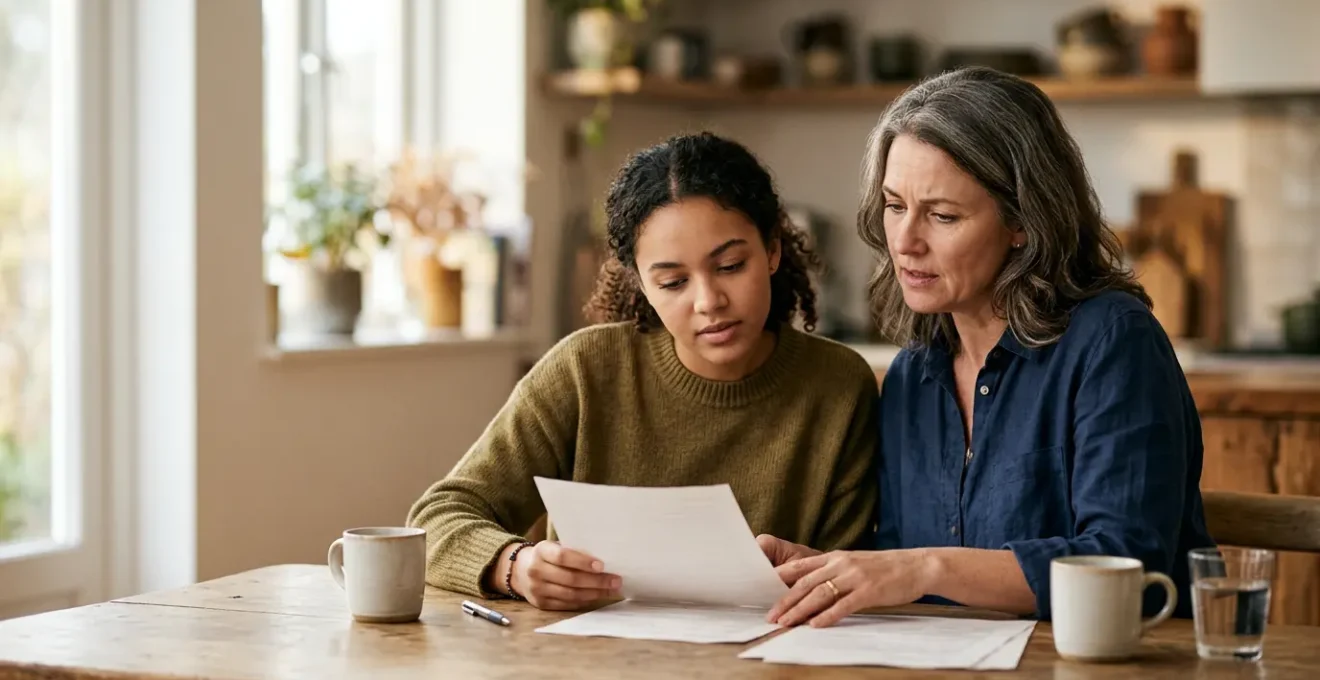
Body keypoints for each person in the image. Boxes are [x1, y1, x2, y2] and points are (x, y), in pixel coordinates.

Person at [756, 66, 1216, 628]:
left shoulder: (1113, 341)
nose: (904, 242)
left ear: (1023, 221)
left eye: (943, 215)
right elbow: (906, 563)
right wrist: (825, 572)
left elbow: (1128, 567)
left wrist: (924, 569)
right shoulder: (912, 374)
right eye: (895, 206)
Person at [406, 132, 879, 611]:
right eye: (672, 281)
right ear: (641, 284)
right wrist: (514, 566)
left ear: (773, 251)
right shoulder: (585, 371)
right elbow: (436, 518)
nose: (708, 302)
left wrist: (817, 573)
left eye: (731, 266)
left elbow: (858, 570)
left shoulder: (839, 386)